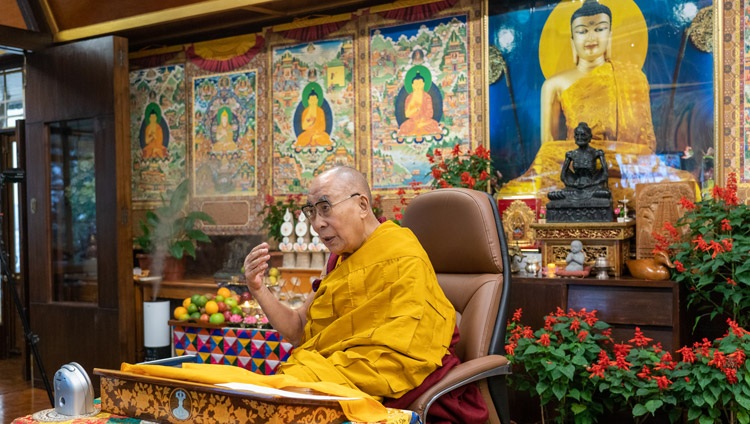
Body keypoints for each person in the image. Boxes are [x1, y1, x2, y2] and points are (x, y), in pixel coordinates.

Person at [243, 166, 488, 423]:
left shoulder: (402, 253)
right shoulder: (339, 262)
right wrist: (258, 288)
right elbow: (297, 330)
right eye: (312, 212)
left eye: (325, 208)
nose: (317, 223)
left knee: (293, 398)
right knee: (279, 394)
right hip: (341, 370)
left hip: (388, 376)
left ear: (362, 205)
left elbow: (408, 346)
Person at [498, 0, 696, 202]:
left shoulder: (633, 77)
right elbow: (549, 149)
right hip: (576, 170)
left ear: (609, 35)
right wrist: (580, 159)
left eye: (600, 29)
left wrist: (612, 156)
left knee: (683, 185)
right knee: (518, 191)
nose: (591, 37)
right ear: (572, 39)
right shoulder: (554, 84)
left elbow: (644, 147)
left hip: (626, 167)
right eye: (583, 31)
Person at [548, 122, 611, 201]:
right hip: (575, 188)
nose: (579, 138)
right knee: (552, 195)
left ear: (590, 137)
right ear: (574, 137)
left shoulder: (597, 153)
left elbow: (605, 175)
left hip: (592, 187)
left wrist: (592, 184)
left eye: (583, 135)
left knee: (605, 194)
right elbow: (563, 176)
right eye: (577, 135)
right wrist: (573, 185)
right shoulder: (571, 154)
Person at [396, 72, 442, 141]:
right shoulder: (409, 97)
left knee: (433, 124)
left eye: (420, 84)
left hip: (425, 121)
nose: (418, 86)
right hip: (413, 122)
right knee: (404, 126)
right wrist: (415, 110)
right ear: (412, 85)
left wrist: (422, 120)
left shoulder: (427, 97)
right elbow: (407, 114)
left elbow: (430, 113)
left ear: (423, 84)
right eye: (416, 84)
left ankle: (419, 130)